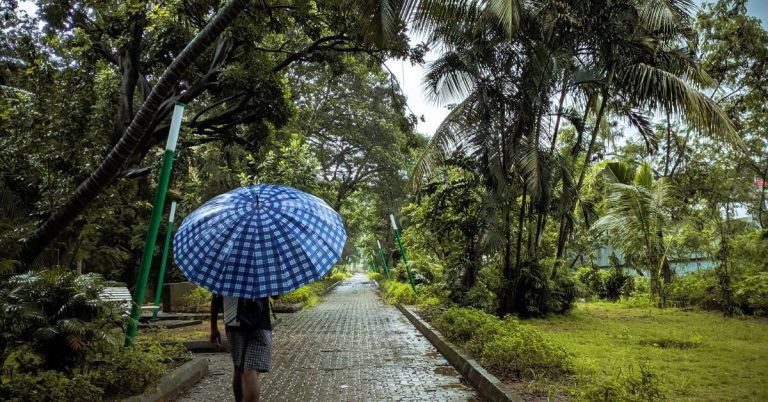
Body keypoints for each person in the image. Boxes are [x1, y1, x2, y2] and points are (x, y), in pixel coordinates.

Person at [210, 294, 272, 402]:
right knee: (251, 369)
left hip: (234, 322)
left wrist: (214, 328)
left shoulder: (228, 276)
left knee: (238, 367)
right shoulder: (263, 276)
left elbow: (216, 296)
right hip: (260, 324)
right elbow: (276, 295)